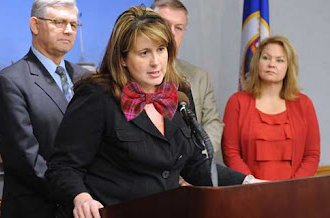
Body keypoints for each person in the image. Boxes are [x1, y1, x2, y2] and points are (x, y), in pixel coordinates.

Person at [47, 6, 262, 218]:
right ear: (122, 59)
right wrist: (80, 197)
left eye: (161, 50)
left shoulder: (180, 95)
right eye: (144, 53)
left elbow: (194, 164)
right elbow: (63, 166)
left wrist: (248, 183)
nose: (156, 62)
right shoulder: (97, 97)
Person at [0, 0, 89, 217]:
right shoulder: (10, 82)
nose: (68, 30)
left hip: (88, 205)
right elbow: (27, 161)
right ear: (35, 25)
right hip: (40, 208)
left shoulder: (88, 79)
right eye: (59, 22)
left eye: (73, 24)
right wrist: (76, 193)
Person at [221, 35, 320, 180]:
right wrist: (253, 184)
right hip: (249, 193)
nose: (271, 64)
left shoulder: (304, 104)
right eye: (266, 58)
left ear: (288, 67)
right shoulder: (237, 102)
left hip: (293, 194)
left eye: (279, 60)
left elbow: (311, 154)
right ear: (257, 62)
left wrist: (291, 188)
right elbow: (230, 152)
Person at [151, 0, 223, 154]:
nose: (172, 33)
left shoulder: (198, 77)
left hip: (191, 169)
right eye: (165, 24)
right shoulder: (127, 76)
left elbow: (213, 123)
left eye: (179, 28)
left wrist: (195, 159)